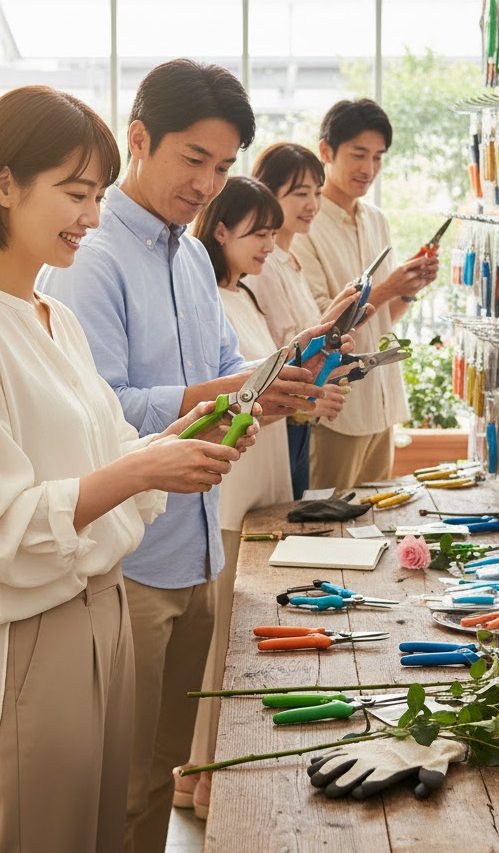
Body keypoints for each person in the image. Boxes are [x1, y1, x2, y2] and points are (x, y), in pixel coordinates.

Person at [0, 85, 250, 853]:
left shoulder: (50, 316)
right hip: (27, 640)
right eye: (73, 193)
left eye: (96, 195)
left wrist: (168, 447)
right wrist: (139, 473)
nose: (91, 218)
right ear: (4, 185)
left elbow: (101, 452)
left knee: (105, 831)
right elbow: (1, 530)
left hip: (101, 612)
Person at [38, 59, 347, 853]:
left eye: (223, 165)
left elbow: (219, 378)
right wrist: (228, 391)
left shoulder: (185, 254)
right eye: (193, 159)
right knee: (123, 781)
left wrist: (274, 384)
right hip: (130, 559)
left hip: (197, 544)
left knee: (166, 764)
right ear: (138, 139)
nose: (209, 182)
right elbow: (96, 414)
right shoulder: (90, 255)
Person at [181, 176, 293, 815]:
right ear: (219, 229)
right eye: (258, 232)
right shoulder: (205, 299)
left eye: (273, 233)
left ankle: (205, 773)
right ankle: (200, 775)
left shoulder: (243, 294)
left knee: (239, 632)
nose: (269, 246)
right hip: (227, 484)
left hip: (259, 475)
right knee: (222, 638)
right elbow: (217, 394)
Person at [290, 98, 439, 489]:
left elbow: (383, 321)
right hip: (337, 411)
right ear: (326, 151)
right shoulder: (306, 224)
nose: (368, 169)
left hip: (381, 405)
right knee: (323, 526)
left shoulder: (376, 220)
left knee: (371, 527)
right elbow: (320, 325)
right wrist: (388, 286)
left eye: (377, 157)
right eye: (358, 154)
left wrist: (408, 290)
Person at [249, 142, 367, 498]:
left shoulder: (289, 259)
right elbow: (281, 353)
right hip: (275, 421)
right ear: (267, 193)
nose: (312, 204)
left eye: (316, 192)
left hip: (295, 418)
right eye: (300, 193)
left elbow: (305, 344)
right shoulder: (264, 266)